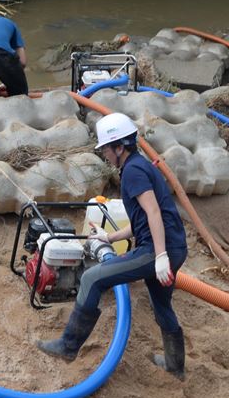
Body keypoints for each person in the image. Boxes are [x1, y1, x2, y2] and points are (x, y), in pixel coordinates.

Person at [36, 111, 188, 379]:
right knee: (161, 305)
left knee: (93, 279)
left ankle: (68, 346)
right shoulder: (140, 166)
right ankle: (175, 366)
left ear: (120, 147)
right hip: (171, 246)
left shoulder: (133, 172)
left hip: (157, 249)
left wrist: (160, 256)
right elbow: (144, 218)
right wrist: (111, 237)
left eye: (106, 148)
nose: (105, 153)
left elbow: (153, 213)